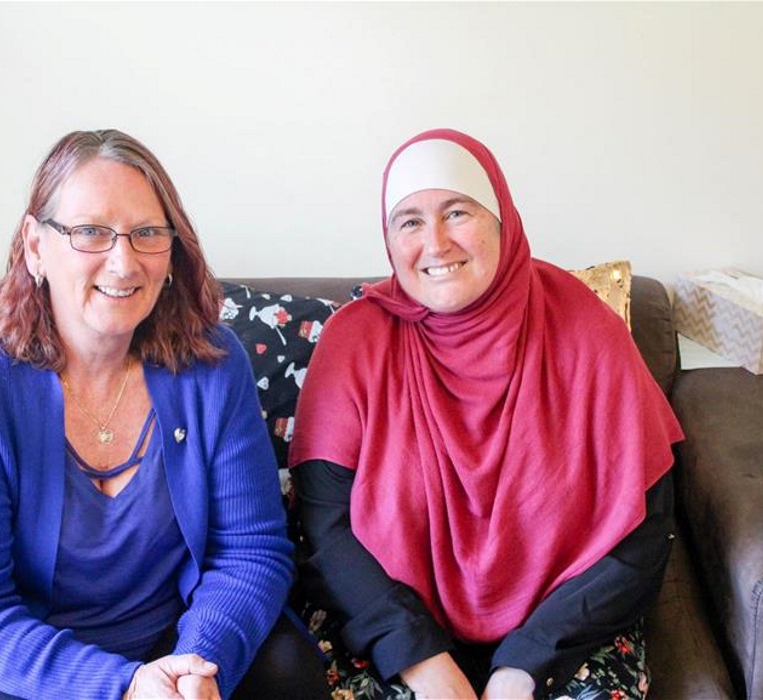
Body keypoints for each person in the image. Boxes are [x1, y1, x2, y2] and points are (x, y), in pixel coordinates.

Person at [0, 129, 327, 700]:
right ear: (35, 245)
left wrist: (197, 664)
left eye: (146, 233)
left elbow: (251, 550)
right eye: (90, 232)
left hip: (171, 643)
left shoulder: (213, 365)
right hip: (8, 655)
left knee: (290, 671)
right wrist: (122, 687)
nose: (123, 262)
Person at [289, 128, 684, 700]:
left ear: (502, 216)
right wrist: (421, 661)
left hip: (565, 633)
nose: (437, 243)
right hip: (389, 634)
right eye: (409, 221)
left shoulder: (585, 330)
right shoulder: (354, 342)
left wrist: (525, 665)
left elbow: (643, 533)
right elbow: (326, 533)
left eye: (457, 212)